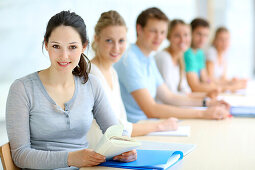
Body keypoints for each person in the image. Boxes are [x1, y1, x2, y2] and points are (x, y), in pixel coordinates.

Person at [5, 11, 136, 170]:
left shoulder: (92, 84)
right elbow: (20, 155)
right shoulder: (22, 89)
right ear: (46, 44)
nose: (64, 56)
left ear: (84, 47)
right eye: (56, 46)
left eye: (72, 47)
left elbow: (115, 131)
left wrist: (125, 147)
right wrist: (71, 158)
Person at [114, 7, 230, 124]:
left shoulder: (147, 58)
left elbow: (168, 96)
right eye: (153, 31)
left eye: (162, 32)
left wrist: (207, 103)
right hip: (138, 128)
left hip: (151, 124)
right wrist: (203, 113)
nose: (159, 37)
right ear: (139, 29)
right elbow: (151, 109)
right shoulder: (129, 60)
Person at [86, 10, 178, 147]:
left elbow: (121, 118)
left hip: (114, 147)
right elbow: (115, 127)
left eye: (121, 41)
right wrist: (159, 126)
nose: (116, 48)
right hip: (97, 152)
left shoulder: (112, 72)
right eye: (109, 40)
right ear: (96, 39)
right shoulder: (91, 74)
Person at [155, 19, 218, 99]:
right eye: (177, 35)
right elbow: (170, 96)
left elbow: (185, 91)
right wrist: (203, 101)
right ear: (169, 37)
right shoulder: (164, 58)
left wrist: (206, 96)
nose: (183, 40)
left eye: (186, 35)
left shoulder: (179, 59)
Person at [206, 27, 247, 91]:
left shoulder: (224, 54)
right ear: (215, 40)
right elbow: (209, 79)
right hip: (210, 87)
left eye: (227, 39)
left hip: (218, 87)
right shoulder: (211, 53)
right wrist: (230, 85)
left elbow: (223, 77)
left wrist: (232, 81)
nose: (224, 42)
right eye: (221, 39)